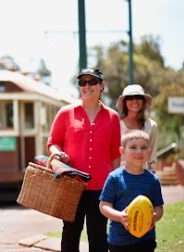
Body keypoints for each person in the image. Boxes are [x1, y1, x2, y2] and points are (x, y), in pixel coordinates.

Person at [47, 68, 121, 252]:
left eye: (92, 82)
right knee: (70, 234)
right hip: (71, 185)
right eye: (83, 82)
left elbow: (115, 156)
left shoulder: (112, 117)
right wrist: (57, 154)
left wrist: (116, 188)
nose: (87, 86)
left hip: (101, 189)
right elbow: (53, 142)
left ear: (101, 86)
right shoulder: (66, 113)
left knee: (98, 237)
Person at [99, 130, 164, 252]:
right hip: (119, 241)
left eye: (143, 148)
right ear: (122, 151)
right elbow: (104, 206)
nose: (139, 151)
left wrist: (154, 217)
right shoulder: (114, 178)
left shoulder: (153, 180)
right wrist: (120, 216)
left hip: (146, 240)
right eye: (133, 147)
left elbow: (159, 207)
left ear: (149, 152)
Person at [116, 84, 158, 172]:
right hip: (119, 178)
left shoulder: (152, 126)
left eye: (138, 97)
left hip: (143, 178)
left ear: (143, 101)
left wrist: (152, 179)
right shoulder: (116, 124)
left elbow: (152, 157)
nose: (135, 101)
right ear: (124, 102)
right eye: (130, 98)